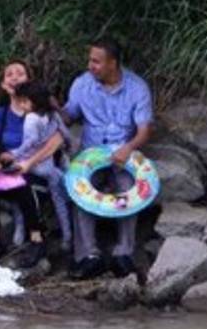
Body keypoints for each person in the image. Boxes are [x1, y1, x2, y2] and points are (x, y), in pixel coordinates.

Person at [60, 38, 153, 279]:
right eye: (90, 60)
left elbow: (144, 130)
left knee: (129, 188)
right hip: (91, 153)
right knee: (80, 190)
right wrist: (48, 109)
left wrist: (129, 147)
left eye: (96, 61)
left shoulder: (137, 87)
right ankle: (88, 256)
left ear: (113, 63)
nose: (91, 65)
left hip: (124, 153)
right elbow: (69, 116)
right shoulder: (82, 84)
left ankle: (124, 253)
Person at [0, 82, 71, 269]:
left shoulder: (32, 118)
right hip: (41, 168)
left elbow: (32, 143)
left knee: (22, 184)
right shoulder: (5, 114)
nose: (21, 105)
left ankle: (34, 238)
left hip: (34, 169)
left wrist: (15, 156)